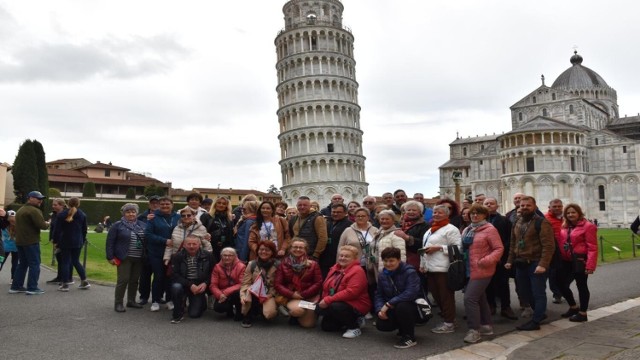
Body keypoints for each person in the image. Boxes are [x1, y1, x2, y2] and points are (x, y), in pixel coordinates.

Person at [505, 196, 555, 331]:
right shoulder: (517, 222)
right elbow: (513, 243)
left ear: (534, 206)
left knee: (538, 293)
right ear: (518, 207)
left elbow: (549, 246)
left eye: (528, 205)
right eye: (522, 205)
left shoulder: (542, 223)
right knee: (524, 292)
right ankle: (540, 313)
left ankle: (536, 321)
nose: (525, 207)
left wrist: (543, 264)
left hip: (535, 262)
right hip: (521, 263)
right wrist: (510, 260)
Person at [461, 204, 504, 343]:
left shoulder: (490, 229)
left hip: (482, 269)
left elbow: (498, 248)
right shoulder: (468, 229)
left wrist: (485, 261)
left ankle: (474, 330)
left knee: (470, 298)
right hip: (468, 268)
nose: (474, 215)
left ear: (485, 215)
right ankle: (486, 326)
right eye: (472, 213)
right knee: (480, 298)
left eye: (478, 213)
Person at [420, 204, 462, 334]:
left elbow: (457, 248)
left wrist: (439, 248)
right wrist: (422, 264)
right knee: (437, 297)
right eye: (434, 212)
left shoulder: (451, 229)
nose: (436, 215)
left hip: (444, 268)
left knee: (446, 297)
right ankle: (449, 319)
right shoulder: (430, 230)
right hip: (431, 268)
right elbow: (424, 248)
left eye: (439, 213)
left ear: (447, 214)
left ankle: (449, 323)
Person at [556, 204, 598, 322]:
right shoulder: (565, 226)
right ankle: (573, 306)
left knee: (581, 285)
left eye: (573, 212)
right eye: (568, 213)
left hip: (580, 260)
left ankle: (583, 313)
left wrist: (590, 265)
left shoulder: (588, 226)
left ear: (579, 213)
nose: (570, 215)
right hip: (566, 260)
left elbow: (592, 247)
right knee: (559, 283)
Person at [318, 245, 371, 338]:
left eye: (347, 256)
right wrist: (322, 300)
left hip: (355, 304)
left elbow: (351, 292)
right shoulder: (335, 268)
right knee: (327, 326)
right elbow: (326, 287)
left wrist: (327, 300)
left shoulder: (357, 271)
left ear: (354, 258)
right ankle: (346, 320)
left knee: (336, 307)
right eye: (341, 256)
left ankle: (354, 327)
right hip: (337, 301)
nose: (343, 258)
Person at [375, 247, 421, 349]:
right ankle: (402, 327)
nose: (388, 264)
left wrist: (388, 304)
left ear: (399, 260)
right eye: (385, 261)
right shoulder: (383, 275)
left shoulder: (410, 272)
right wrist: (379, 310)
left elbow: (411, 293)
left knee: (402, 306)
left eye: (391, 260)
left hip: (413, 306)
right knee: (381, 325)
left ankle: (409, 337)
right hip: (392, 306)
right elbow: (379, 294)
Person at [106, 203, 146, 312]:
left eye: (133, 212)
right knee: (123, 280)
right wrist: (110, 257)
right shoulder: (117, 225)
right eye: (128, 212)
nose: (131, 214)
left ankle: (131, 301)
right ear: (124, 213)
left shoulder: (142, 225)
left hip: (139, 257)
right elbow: (110, 242)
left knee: (134, 280)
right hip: (124, 257)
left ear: (137, 213)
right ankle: (118, 303)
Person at [274, 238, 323, 328]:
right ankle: (295, 314)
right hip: (293, 296)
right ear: (290, 249)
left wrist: (303, 294)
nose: (298, 249)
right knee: (297, 310)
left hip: (309, 297)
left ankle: (307, 312)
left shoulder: (313, 264)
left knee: (308, 325)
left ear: (305, 250)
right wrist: (292, 294)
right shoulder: (283, 264)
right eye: (295, 247)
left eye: (301, 247)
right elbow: (278, 284)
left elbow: (318, 283)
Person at [143, 196, 181, 310]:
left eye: (167, 204)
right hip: (156, 252)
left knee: (170, 277)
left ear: (172, 205)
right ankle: (155, 300)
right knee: (158, 277)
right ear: (159, 206)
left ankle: (169, 299)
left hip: (173, 253)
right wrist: (164, 241)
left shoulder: (178, 217)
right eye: (162, 204)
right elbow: (148, 235)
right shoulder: (153, 218)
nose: (165, 206)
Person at [10, 191, 50, 295]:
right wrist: (48, 223)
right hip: (31, 241)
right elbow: (42, 225)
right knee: (34, 264)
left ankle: (16, 286)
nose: (40, 200)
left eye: (41, 198)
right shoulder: (34, 210)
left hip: (20, 241)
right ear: (30, 198)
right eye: (38, 198)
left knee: (22, 264)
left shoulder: (21, 209)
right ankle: (32, 287)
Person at [483, 197, 517, 320]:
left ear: (497, 206)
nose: (489, 205)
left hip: (501, 258)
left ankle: (506, 307)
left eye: (491, 203)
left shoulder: (504, 220)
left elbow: (510, 239)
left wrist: (503, 255)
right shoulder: (480, 221)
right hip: (485, 258)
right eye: (486, 204)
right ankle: (491, 306)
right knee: (488, 283)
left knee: (503, 283)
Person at [169, 235, 214, 323]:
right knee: (176, 287)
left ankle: (201, 302)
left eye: (194, 244)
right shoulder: (177, 256)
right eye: (189, 244)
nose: (191, 246)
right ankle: (178, 313)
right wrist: (190, 285)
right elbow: (175, 275)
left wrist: (205, 283)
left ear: (199, 244)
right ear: (184, 245)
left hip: (199, 285)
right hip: (183, 284)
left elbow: (213, 273)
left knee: (194, 314)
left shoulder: (208, 255)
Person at [53, 197, 90, 291]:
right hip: (78, 241)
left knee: (65, 261)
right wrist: (82, 239)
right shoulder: (82, 215)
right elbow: (84, 230)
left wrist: (55, 241)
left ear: (68, 204)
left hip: (65, 240)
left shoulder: (62, 215)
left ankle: (65, 284)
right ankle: (84, 280)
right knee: (75, 261)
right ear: (78, 204)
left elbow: (57, 230)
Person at [240, 241, 279, 328]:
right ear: (257, 251)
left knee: (269, 314)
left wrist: (270, 295)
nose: (264, 252)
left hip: (269, 293)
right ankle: (247, 314)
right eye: (261, 249)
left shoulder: (278, 265)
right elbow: (245, 283)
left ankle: (262, 309)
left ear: (272, 252)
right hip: (254, 291)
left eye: (267, 250)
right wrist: (243, 295)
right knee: (248, 295)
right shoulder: (252, 264)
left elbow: (278, 285)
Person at [368, 210, 406, 282]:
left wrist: (399, 271)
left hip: (390, 271)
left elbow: (401, 255)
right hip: (377, 268)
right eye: (382, 219)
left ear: (393, 220)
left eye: (387, 219)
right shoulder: (378, 233)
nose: (384, 221)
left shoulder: (396, 234)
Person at [210, 247, 246, 321]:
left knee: (237, 293)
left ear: (235, 256)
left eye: (230, 255)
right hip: (222, 292)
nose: (227, 257)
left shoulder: (241, 266)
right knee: (218, 308)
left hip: (235, 292)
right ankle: (229, 311)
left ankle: (239, 312)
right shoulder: (217, 267)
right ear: (221, 256)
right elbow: (213, 285)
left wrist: (226, 292)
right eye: (225, 255)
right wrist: (219, 295)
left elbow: (242, 283)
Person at [289, 196, 328, 261]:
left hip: (310, 255)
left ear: (310, 206)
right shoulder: (294, 219)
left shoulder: (317, 218)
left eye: (305, 205)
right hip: (295, 253)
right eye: (300, 205)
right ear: (296, 206)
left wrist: (316, 254)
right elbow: (292, 235)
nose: (302, 207)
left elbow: (323, 238)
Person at [320, 203, 353, 277]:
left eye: (338, 212)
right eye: (333, 212)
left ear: (345, 213)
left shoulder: (349, 224)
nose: (335, 214)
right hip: (324, 257)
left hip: (339, 256)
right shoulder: (326, 222)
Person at [200, 196, 235, 263]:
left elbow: (231, 235)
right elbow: (200, 231)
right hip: (210, 247)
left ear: (227, 206)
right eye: (219, 203)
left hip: (225, 248)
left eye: (224, 203)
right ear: (215, 204)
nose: (221, 205)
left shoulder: (229, 218)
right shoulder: (207, 216)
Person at [545, 199, 565, 304]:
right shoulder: (545, 219)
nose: (557, 208)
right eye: (554, 206)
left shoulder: (566, 218)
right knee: (553, 273)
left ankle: (562, 290)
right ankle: (557, 294)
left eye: (559, 206)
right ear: (550, 207)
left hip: (565, 250)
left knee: (567, 273)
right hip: (553, 250)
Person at [46, 198, 70, 285]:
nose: (53, 206)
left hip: (64, 240)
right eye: (53, 204)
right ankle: (60, 277)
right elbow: (53, 228)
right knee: (59, 259)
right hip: (56, 240)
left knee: (65, 260)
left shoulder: (67, 214)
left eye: (55, 205)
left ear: (62, 205)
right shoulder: (54, 214)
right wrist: (52, 238)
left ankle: (66, 279)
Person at [1, 210, 19, 282]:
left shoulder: (4, 226)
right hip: (16, 247)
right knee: (15, 263)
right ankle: (13, 278)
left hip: (5, 247)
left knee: (1, 261)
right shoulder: (18, 226)